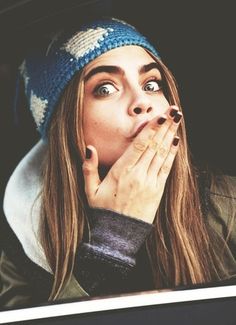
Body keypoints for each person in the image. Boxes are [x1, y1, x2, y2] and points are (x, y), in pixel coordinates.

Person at [1, 17, 236, 309]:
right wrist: (112, 241)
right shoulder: (17, 244)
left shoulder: (228, 203)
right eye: (105, 88)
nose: (142, 101)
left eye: (152, 84)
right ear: (65, 128)